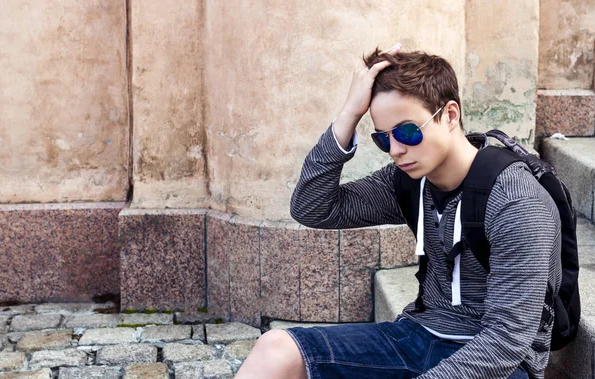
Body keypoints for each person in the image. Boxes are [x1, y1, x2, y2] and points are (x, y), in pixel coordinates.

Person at [235, 44, 561, 379]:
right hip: (418, 336)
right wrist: (349, 113)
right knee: (275, 349)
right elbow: (313, 208)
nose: (395, 150)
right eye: (383, 138)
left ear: (450, 114)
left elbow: (506, 340)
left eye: (407, 131)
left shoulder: (517, 200)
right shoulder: (408, 181)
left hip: (498, 362)